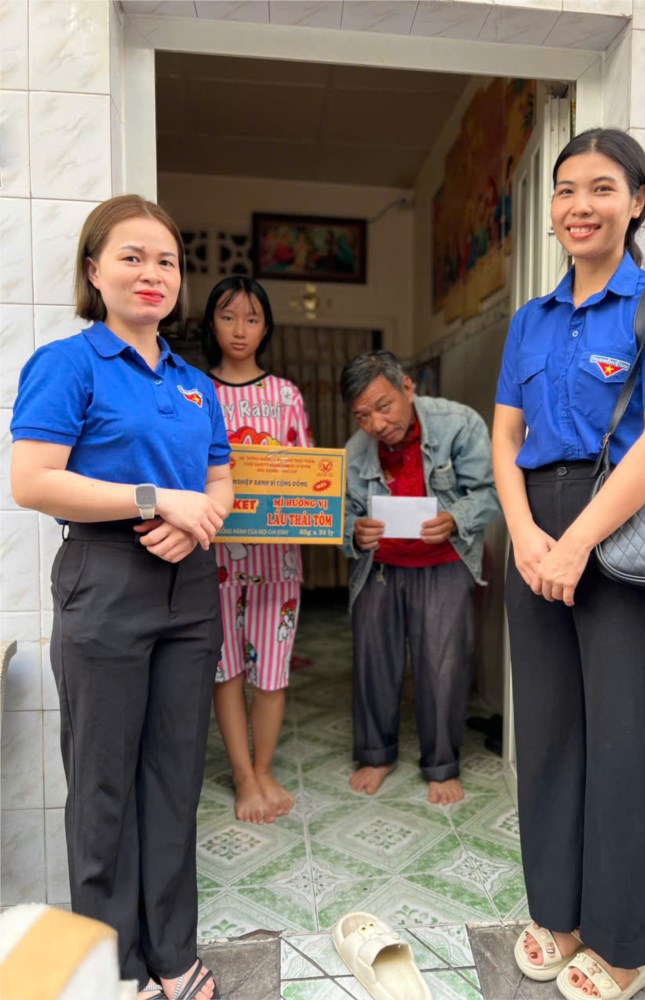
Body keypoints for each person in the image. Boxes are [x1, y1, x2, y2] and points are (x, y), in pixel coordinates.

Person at [493, 128, 645, 1000]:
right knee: (548, 736)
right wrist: (523, 532)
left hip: (618, 531)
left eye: (601, 188)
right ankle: (561, 916)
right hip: (532, 530)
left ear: (636, 201)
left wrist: (578, 540)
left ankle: (627, 943)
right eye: (565, 190)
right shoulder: (528, 320)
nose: (579, 206)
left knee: (623, 740)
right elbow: (506, 438)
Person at [10, 195, 233, 1000]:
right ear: (94, 270)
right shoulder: (69, 364)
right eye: (132, 256)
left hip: (189, 587)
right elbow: (33, 481)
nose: (151, 273)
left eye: (165, 260)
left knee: (174, 777)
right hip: (105, 579)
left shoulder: (194, 383)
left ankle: (172, 953)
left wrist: (197, 520)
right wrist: (154, 499)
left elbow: (219, 478)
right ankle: (116, 965)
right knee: (103, 783)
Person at [341, 351, 500, 805]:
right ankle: (376, 755)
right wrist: (354, 532)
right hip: (380, 568)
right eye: (362, 416)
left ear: (407, 388)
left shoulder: (458, 424)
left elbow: (490, 493)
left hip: (445, 562)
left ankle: (442, 765)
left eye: (383, 406)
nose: (376, 424)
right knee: (374, 663)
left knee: (444, 667)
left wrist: (455, 518)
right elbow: (341, 516)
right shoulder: (355, 451)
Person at [201, 276, 312, 825]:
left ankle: (264, 768)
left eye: (251, 319)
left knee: (272, 671)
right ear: (211, 323)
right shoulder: (196, 392)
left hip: (279, 562)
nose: (239, 330)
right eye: (228, 317)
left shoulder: (287, 395)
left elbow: (308, 474)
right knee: (226, 671)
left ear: (266, 328)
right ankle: (244, 777)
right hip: (213, 559)